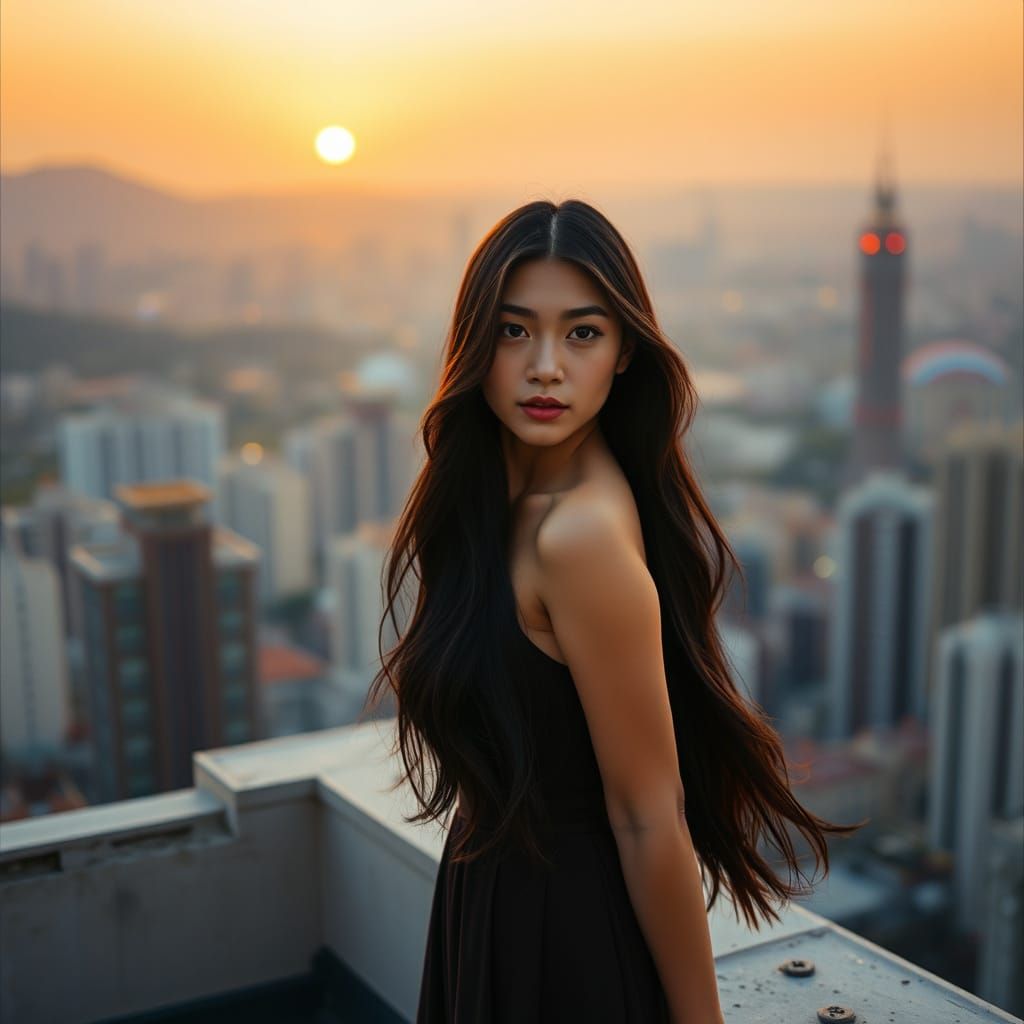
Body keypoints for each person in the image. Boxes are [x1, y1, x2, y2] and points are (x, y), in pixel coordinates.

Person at [363, 198, 862, 1023]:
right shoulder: (511, 499)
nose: (546, 366)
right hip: (493, 906)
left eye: (582, 333)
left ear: (626, 350)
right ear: (473, 343)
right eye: (514, 330)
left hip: (560, 945)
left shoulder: (578, 537)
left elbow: (648, 817)